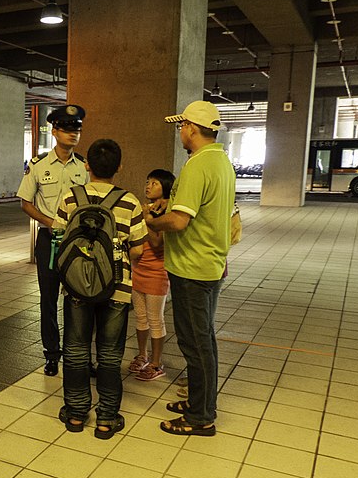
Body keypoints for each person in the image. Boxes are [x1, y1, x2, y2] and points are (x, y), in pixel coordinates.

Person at [144, 100, 235, 437]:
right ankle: (199, 403)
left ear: (192, 129)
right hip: (208, 264)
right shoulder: (220, 161)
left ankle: (201, 417)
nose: (180, 132)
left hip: (193, 268)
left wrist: (151, 221)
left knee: (197, 345)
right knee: (202, 340)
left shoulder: (198, 165)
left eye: (181, 126)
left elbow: (180, 221)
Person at [53, 139, 147, 440]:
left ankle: (77, 414)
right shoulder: (130, 201)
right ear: (119, 167)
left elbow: (59, 237)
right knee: (109, 353)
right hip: (117, 289)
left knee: (76, 350)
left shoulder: (71, 197)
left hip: (76, 288)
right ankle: (106, 417)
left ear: (87, 165)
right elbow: (139, 250)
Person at [17, 105, 88, 376]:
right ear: (55, 131)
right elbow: (26, 203)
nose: (74, 134)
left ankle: (77, 353)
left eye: (77, 129)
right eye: (68, 129)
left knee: (78, 299)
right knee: (48, 301)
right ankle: (51, 354)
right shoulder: (38, 165)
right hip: (49, 241)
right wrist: (50, 222)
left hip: (77, 243)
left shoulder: (83, 166)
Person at [129, 169, 176, 382]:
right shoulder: (144, 208)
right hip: (138, 268)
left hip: (157, 272)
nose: (148, 186)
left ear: (166, 187)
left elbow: (157, 242)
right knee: (140, 316)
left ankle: (157, 363)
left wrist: (146, 218)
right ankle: (143, 355)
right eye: (148, 182)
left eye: (155, 183)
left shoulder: (168, 212)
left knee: (155, 319)